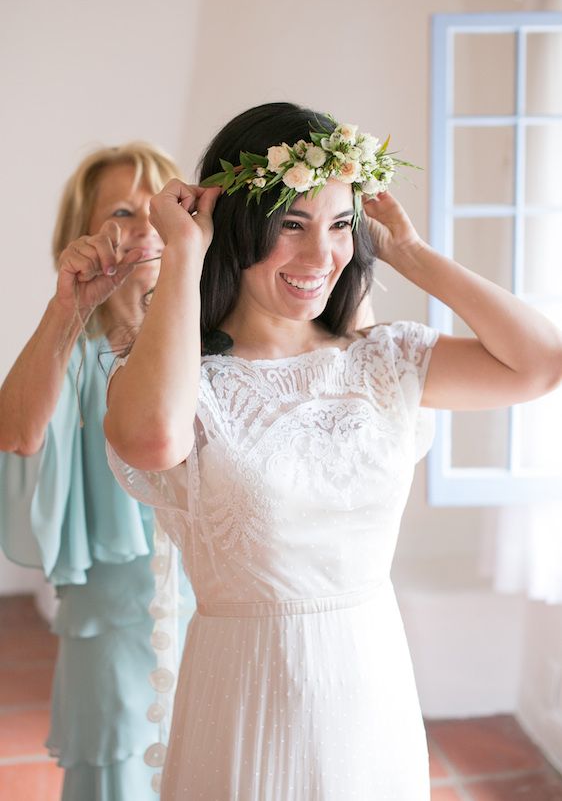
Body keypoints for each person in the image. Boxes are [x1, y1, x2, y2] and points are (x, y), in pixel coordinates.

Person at [104, 102, 562, 800]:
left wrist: (409, 252)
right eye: (292, 225)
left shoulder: (383, 358)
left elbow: (540, 363)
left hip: (369, 689)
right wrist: (184, 255)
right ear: (237, 227)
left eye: (341, 225)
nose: (321, 257)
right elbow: (153, 439)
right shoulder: (186, 378)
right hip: (248, 694)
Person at [0, 142, 193, 801]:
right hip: (108, 623)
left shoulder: (206, 341)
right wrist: (68, 306)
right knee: (118, 771)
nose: (146, 228)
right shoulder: (73, 351)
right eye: (121, 212)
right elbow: (18, 432)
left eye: (159, 209)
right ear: (82, 236)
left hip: (210, 613)